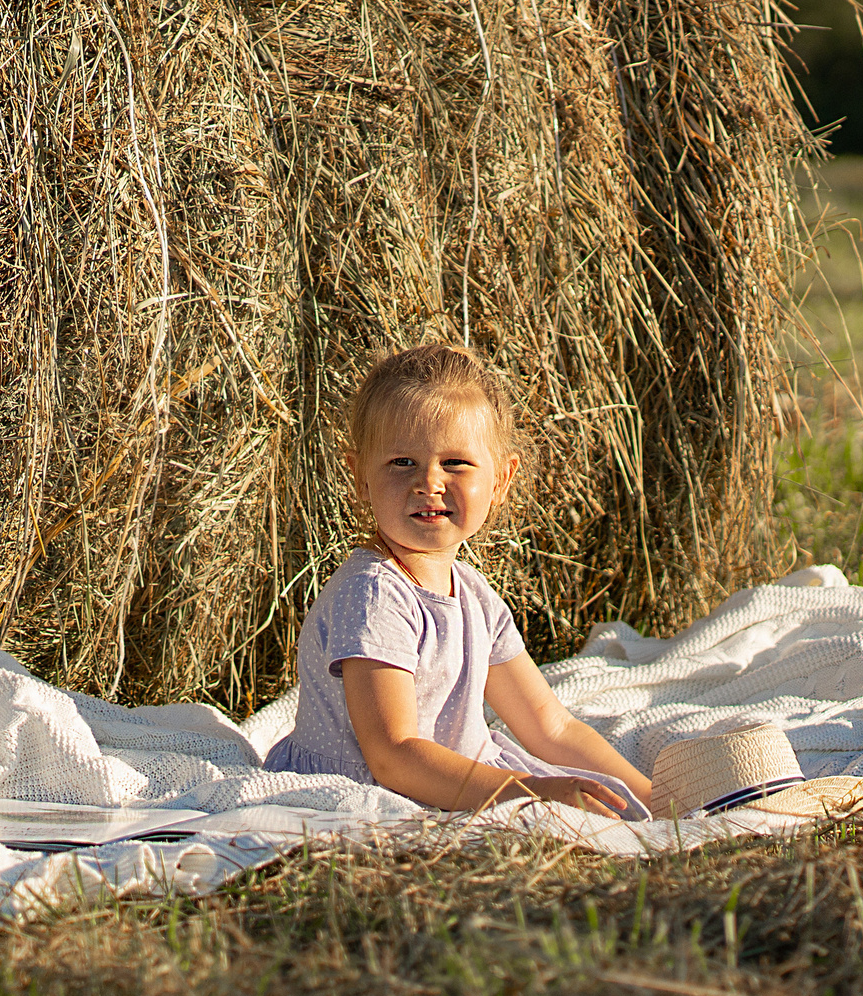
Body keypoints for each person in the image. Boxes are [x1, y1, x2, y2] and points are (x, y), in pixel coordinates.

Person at [265, 343, 655, 819]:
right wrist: (533, 790)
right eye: (402, 462)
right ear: (360, 477)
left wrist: (651, 799)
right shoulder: (373, 593)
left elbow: (551, 728)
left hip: (453, 781)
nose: (429, 482)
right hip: (368, 793)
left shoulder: (473, 596)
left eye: (455, 463)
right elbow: (392, 755)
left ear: (501, 480)